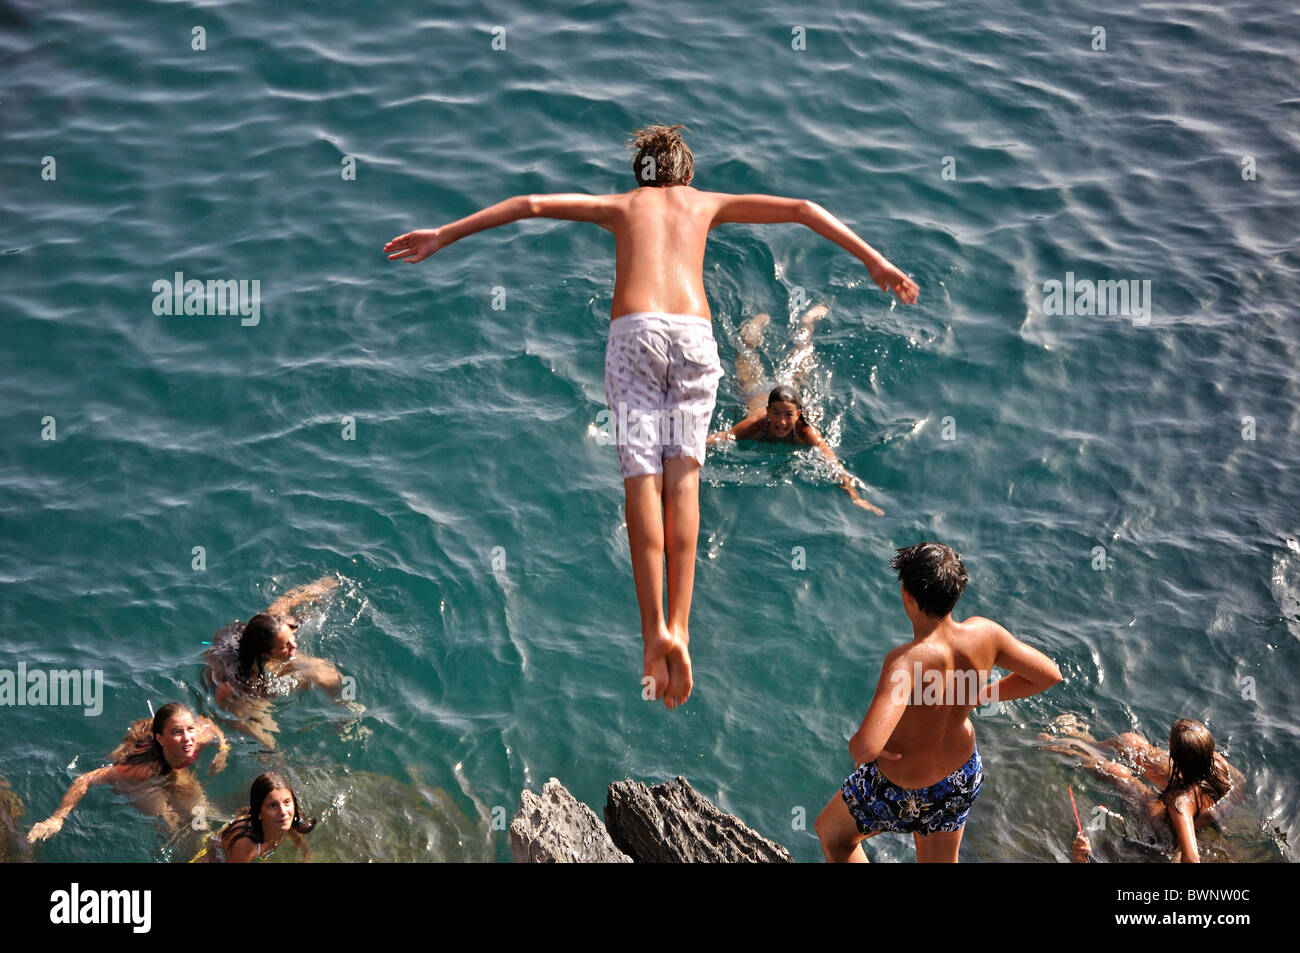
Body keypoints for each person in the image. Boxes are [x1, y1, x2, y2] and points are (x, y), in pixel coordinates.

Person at [384, 123, 919, 709]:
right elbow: (802, 208)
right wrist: (877, 262)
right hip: (694, 336)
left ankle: (653, 635)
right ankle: (683, 627)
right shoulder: (706, 202)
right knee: (683, 479)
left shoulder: (619, 205)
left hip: (634, 336)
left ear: (641, 174)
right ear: (687, 173)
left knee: (641, 480)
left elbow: (529, 203)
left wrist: (445, 234)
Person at [815, 542, 1062, 862]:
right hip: (959, 778)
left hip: (901, 789)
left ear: (907, 594)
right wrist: (979, 695)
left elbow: (865, 749)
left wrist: (863, 746)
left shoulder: (904, 662)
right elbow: (1048, 675)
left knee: (833, 835)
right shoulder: (985, 634)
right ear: (955, 593)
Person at [1041, 715, 1244, 863]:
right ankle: (1088, 741)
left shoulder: (1181, 804)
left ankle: (1063, 748)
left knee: (1118, 774)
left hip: (1162, 824)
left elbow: (1191, 859)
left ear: (1175, 757)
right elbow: (1238, 784)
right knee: (1131, 742)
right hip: (1190, 782)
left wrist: (1179, 849)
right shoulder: (1218, 763)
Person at [26, 702, 228, 843]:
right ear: (160, 738)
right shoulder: (142, 770)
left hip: (171, 768)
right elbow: (86, 779)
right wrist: (57, 818)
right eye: (177, 732)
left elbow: (210, 725)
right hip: (149, 772)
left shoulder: (196, 738)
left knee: (200, 812)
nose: (187, 738)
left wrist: (222, 752)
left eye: (189, 729)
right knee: (169, 822)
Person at [202, 575, 358, 746]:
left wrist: (318, 587)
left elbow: (286, 601)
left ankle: (346, 710)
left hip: (258, 655)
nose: (294, 645)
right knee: (267, 739)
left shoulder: (272, 625)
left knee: (322, 670)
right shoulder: (239, 679)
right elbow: (221, 703)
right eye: (285, 645)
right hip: (243, 688)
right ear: (266, 654)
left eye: (292, 636)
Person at [191, 772, 316, 863]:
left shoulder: (287, 820)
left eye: (287, 802)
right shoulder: (246, 843)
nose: (283, 811)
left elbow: (305, 849)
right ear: (259, 812)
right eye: (273, 805)